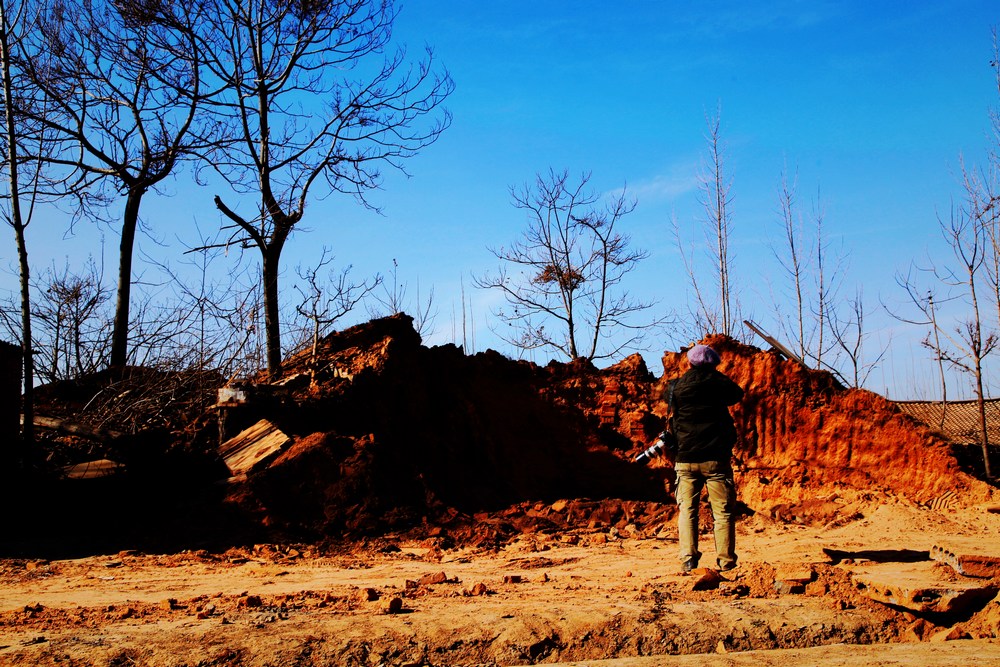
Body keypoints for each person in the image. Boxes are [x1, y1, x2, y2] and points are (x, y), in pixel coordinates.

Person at [668, 343, 744, 573]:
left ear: (689, 363)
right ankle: (726, 561)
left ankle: (688, 559)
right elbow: (737, 394)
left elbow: (668, 403)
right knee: (722, 513)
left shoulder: (676, 387)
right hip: (715, 459)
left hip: (685, 458)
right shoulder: (718, 383)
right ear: (712, 364)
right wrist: (714, 376)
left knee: (687, 511)